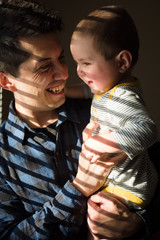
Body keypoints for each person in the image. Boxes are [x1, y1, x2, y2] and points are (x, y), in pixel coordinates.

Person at [0, 1, 159, 240]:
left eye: (62, 58)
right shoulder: (3, 155)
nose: (65, 74)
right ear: (7, 82)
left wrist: (140, 222)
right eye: (44, 66)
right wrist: (78, 189)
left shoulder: (101, 108)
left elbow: (150, 167)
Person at [67, 5, 159, 239]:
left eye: (86, 63)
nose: (79, 70)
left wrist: (103, 143)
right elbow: (88, 93)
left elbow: (147, 129)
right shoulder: (108, 87)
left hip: (129, 185)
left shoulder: (123, 98)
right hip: (119, 180)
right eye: (77, 63)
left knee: (97, 219)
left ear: (122, 62)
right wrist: (63, 93)